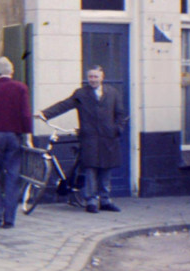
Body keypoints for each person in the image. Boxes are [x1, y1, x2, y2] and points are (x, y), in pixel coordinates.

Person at [37, 65, 127, 214]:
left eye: (95, 76)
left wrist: (117, 129)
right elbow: (64, 105)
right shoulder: (81, 94)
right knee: (90, 169)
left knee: (106, 169)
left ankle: (105, 200)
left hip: (108, 138)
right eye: (90, 77)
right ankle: (90, 201)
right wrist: (45, 114)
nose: (93, 79)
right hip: (90, 138)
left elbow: (120, 114)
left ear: (102, 77)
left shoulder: (113, 93)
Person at [0, 56, 32, 229]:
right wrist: (27, 135)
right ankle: (9, 218)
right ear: (12, 71)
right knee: (12, 176)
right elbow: (25, 114)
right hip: (14, 135)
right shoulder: (21, 88)